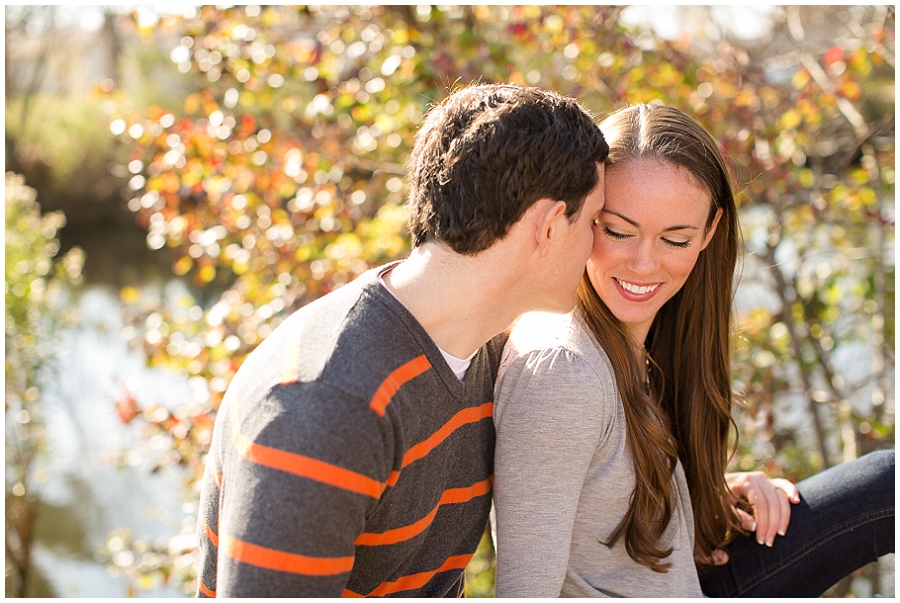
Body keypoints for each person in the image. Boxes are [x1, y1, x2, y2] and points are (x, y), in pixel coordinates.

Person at [195, 83, 609, 597]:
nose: (599, 246)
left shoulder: (484, 351)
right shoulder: (325, 406)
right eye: (594, 221)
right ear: (548, 226)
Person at [492, 103, 894, 597]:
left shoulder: (636, 341)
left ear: (709, 232)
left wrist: (700, 501)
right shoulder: (562, 371)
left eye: (675, 239)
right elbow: (523, 592)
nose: (643, 264)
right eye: (617, 230)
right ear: (579, 216)